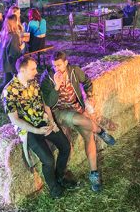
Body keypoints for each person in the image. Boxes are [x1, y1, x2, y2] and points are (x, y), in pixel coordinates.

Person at [40, 52, 116, 192]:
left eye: (59, 65)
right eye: (54, 66)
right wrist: (56, 86)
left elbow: (87, 82)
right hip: (59, 112)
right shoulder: (47, 78)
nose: (56, 68)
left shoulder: (75, 71)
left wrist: (90, 96)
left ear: (66, 63)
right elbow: (49, 103)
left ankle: (94, 174)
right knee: (80, 119)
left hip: (75, 107)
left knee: (88, 136)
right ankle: (100, 131)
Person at [3, 56, 74, 199]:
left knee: (65, 146)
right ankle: (53, 187)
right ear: (22, 70)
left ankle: (60, 176)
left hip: (42, 120)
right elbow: (14, 119)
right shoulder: (9, 90)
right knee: (48, 160)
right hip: (28, 129)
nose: (36, 72)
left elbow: (44, 105)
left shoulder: (33, 82)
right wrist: (36, 130)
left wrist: (52, 122)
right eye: (33, 69)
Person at [0, 13, 25, 111]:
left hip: (5, 63)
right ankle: (16, 104)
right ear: (14, 23)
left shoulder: (5, 33)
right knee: (18, 83)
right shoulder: (14, 36)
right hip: (12, 64)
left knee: (6, 82)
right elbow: (14, 54)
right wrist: (21, 48)